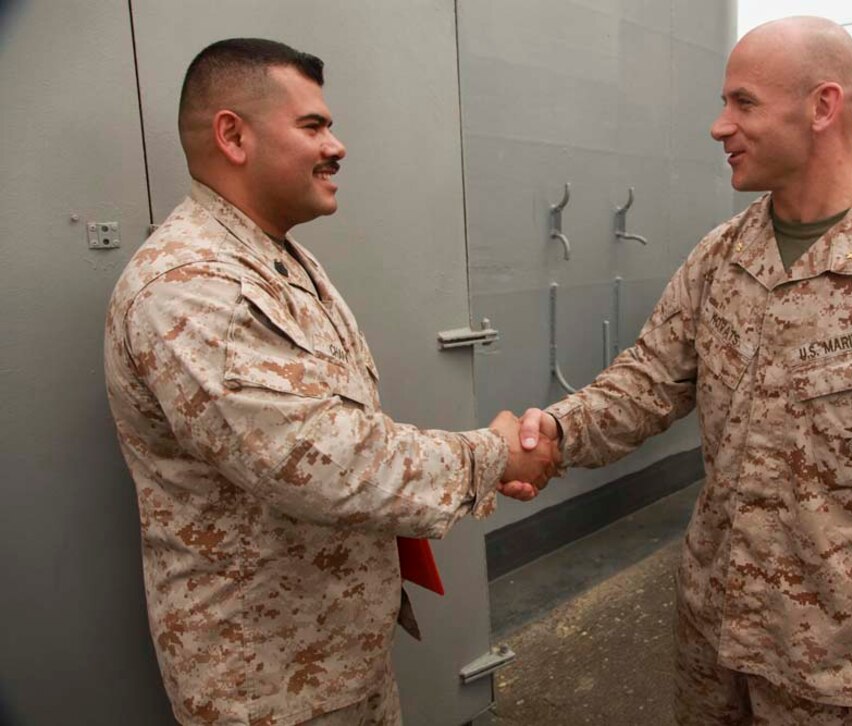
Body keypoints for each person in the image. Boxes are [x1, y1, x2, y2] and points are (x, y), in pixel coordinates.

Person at [519, 16, 852, 725]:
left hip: (836, 657)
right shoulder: (721, 257)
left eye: (742, 103)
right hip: (713, 634)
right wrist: (553, 431)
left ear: (823, 107)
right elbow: (648, 380)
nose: (718, 126)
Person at [103, 38, 558, 726]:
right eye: (313, 126)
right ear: (233, 135)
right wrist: (493, 455)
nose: (337, 146)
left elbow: (342, 430)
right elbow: (324, 461)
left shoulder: (276, 261)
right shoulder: (191, 288)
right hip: (267, 686)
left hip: (328, 655)